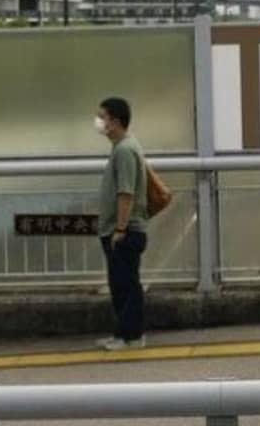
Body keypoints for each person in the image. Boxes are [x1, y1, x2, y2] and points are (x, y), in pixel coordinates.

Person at [95, 97, 149, 351]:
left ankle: (130, 336)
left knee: (126, 285)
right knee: (121, 283)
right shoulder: (122, 147)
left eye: (102, 117)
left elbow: (125, 193)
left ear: (115, 121)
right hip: (122, 230)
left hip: (125, 231)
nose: (99, 122)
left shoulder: (125, 150)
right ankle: (126, 334)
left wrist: (120, 228)